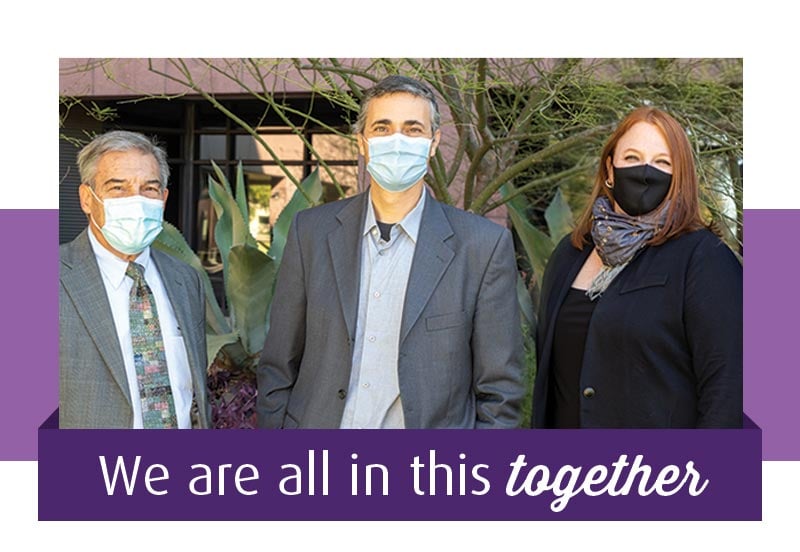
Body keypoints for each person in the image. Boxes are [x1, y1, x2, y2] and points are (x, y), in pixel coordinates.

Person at [256, 75, 524, 429]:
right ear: (362, 143)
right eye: (382, 128)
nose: (397, 141)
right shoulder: (311, 232)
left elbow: (499, 392)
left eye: (413, 129)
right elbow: (279, 364)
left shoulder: (482, 246)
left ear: (433, 143)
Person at [533, 107, 742, 429]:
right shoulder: (570, 253)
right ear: (610, 169)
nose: (645, 171)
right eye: (632, 157)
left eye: (662, 162)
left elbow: (727, 389)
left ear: (679, 176)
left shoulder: (704, 258)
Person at [60, 130, 211, 429]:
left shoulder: (186, 280)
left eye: (149, 188)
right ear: (87, 199)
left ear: (164, 198)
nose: (136, 200)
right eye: (118, 188)